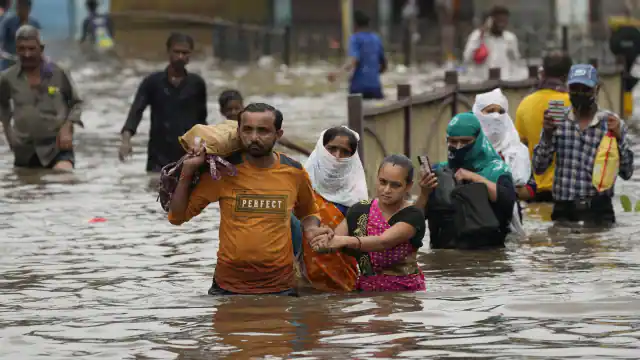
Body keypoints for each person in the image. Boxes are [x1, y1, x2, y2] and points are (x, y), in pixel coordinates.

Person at [168, 103, 331, 296]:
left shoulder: (294, 171)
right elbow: (177, 216)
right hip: (228, 287)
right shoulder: (224, 172)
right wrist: (188, 171)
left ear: (278, 135)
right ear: (238, 132)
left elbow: (308, 212)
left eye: (263, 131)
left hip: (280, 288)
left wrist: (312, 230)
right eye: (247, 130)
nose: (254, 137)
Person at [532, 64, 634, 225]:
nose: (579, 93)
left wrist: (619, 138)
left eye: (585, 89)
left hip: (599, 212)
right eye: (574, 88)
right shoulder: (557, 121)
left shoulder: (611, 123)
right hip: (564, 212)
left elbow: (627, 173)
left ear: (597, 89)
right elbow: (538, 167)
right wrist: (547, 134)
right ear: (568, 89)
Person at [311, 154, 426, 292]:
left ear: (408, 186)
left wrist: (341, 240)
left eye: (395, 185)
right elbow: (335, 241)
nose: (387, 190)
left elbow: (383, 242)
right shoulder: (359, 210)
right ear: (376, 179)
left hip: (405, 293)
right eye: (383, 182)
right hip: (367, 292)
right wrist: (323, 240)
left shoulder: (413, 215)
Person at [415, 112, 516, 249]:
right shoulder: (439, 173)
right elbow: (414, 221)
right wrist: (424, 193)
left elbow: (507, 202)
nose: (458, 147)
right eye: (453, 141)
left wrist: (475, 178)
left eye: (465, 142)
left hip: (486, 259)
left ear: (478, 139)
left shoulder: (497, 171)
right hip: (443, 260)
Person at [119, 33, 207, 172]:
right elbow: (136, 112)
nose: (180, 57)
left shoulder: (197, 84)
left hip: (188, 154)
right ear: (168, 52)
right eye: (176, 52)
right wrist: (126, 141)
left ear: (190, 55)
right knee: (155, 189)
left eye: (185, 53)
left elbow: (202, 120)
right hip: (158, 155)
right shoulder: (152, 82)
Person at [0, 25, 83, 170]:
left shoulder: (58, 72)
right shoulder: (8, 78)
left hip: (56, 147)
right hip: (24, 151)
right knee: (25, 189)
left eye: (32, 49)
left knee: (63, 176)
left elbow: (76, 103)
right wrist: (8, 133)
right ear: (16, 49)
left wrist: (67, 127)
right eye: (22, 49)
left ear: (41, 48)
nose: (27, 54)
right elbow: (2, 104)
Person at [298, 126, 368, 292]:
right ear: (322, 149)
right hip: (301, 284)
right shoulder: (300, 187)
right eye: (332, 149)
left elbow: (365, 246)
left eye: (345, 152)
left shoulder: (357, 197)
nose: (337, 157)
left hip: (343, 285)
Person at [473, 88, 533, 232]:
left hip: (508, 223)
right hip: (476, 221)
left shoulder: (517, 151)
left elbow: (530, 190)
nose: (495, 116)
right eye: (489, 111)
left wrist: (509, 190)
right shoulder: (468, 147)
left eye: (500, 112)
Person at [515, 52, 573, 202]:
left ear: (543, 72)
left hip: (533, 192)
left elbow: (519, 147)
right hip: (566, 192)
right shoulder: (575, 104)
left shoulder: (525, 103)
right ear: (568, 75)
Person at [328, 10, 387, 99]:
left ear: (355, 24)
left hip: (358, 88)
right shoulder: (376, 39)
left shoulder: (355, 39)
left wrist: (337, 73)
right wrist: (372, 74)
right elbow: (384, 66)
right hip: (375, 88)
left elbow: (353, 61)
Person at [462, 6, 519, 78]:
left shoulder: (510, 38)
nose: (502, 24)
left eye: (504, 21)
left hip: (504, 81)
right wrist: (481, 36)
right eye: (499, 21)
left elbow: (515, 61)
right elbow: (467, 58)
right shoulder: (478, 35)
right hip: (483, 83)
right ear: (490, 20)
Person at [0, 0, 40, 70]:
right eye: (18, 6)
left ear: (29, 8)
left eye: (23, 6)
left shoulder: (34, 24)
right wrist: (12, 57)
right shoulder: (8, 23)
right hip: (9, 66)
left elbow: (39, 47)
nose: (19, 9)